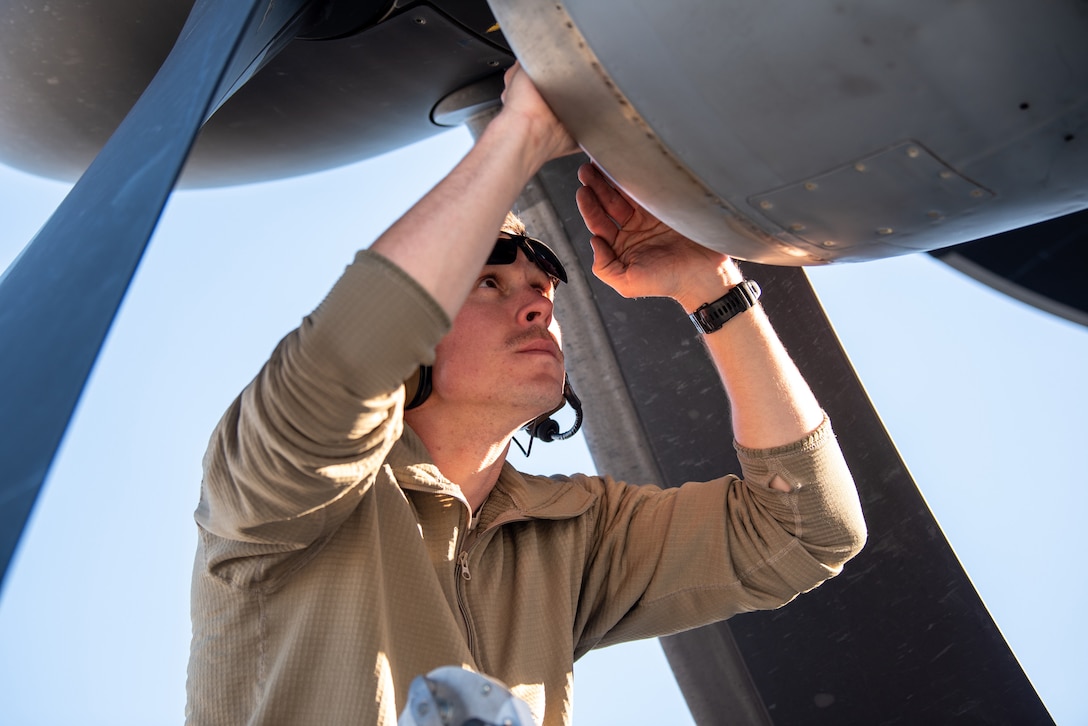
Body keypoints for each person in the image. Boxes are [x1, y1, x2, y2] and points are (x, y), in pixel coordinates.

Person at [185, 64, 867, 726]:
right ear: (415, 336)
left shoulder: (573, 536)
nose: (539, 307)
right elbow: (337, 365)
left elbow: (807, 531)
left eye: (543, 289)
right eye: (490, 284)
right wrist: (520, 138)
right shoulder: (285, 496)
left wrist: (711, 285)